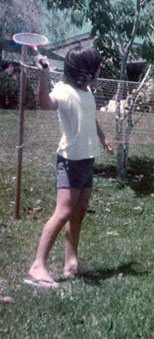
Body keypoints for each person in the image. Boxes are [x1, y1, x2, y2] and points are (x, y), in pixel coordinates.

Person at [25, 47, 113, 288]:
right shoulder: (63, 91)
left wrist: (102, 137)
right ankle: (37, 266)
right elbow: (44, 104)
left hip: (87, 158)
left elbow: (90, 117)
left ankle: (71, 264)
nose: (99, 71)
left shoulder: (86, 92)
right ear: (85, 70)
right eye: (96, 67)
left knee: (79, 212)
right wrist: (43, 75)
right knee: (63, 212)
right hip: (70, 160)